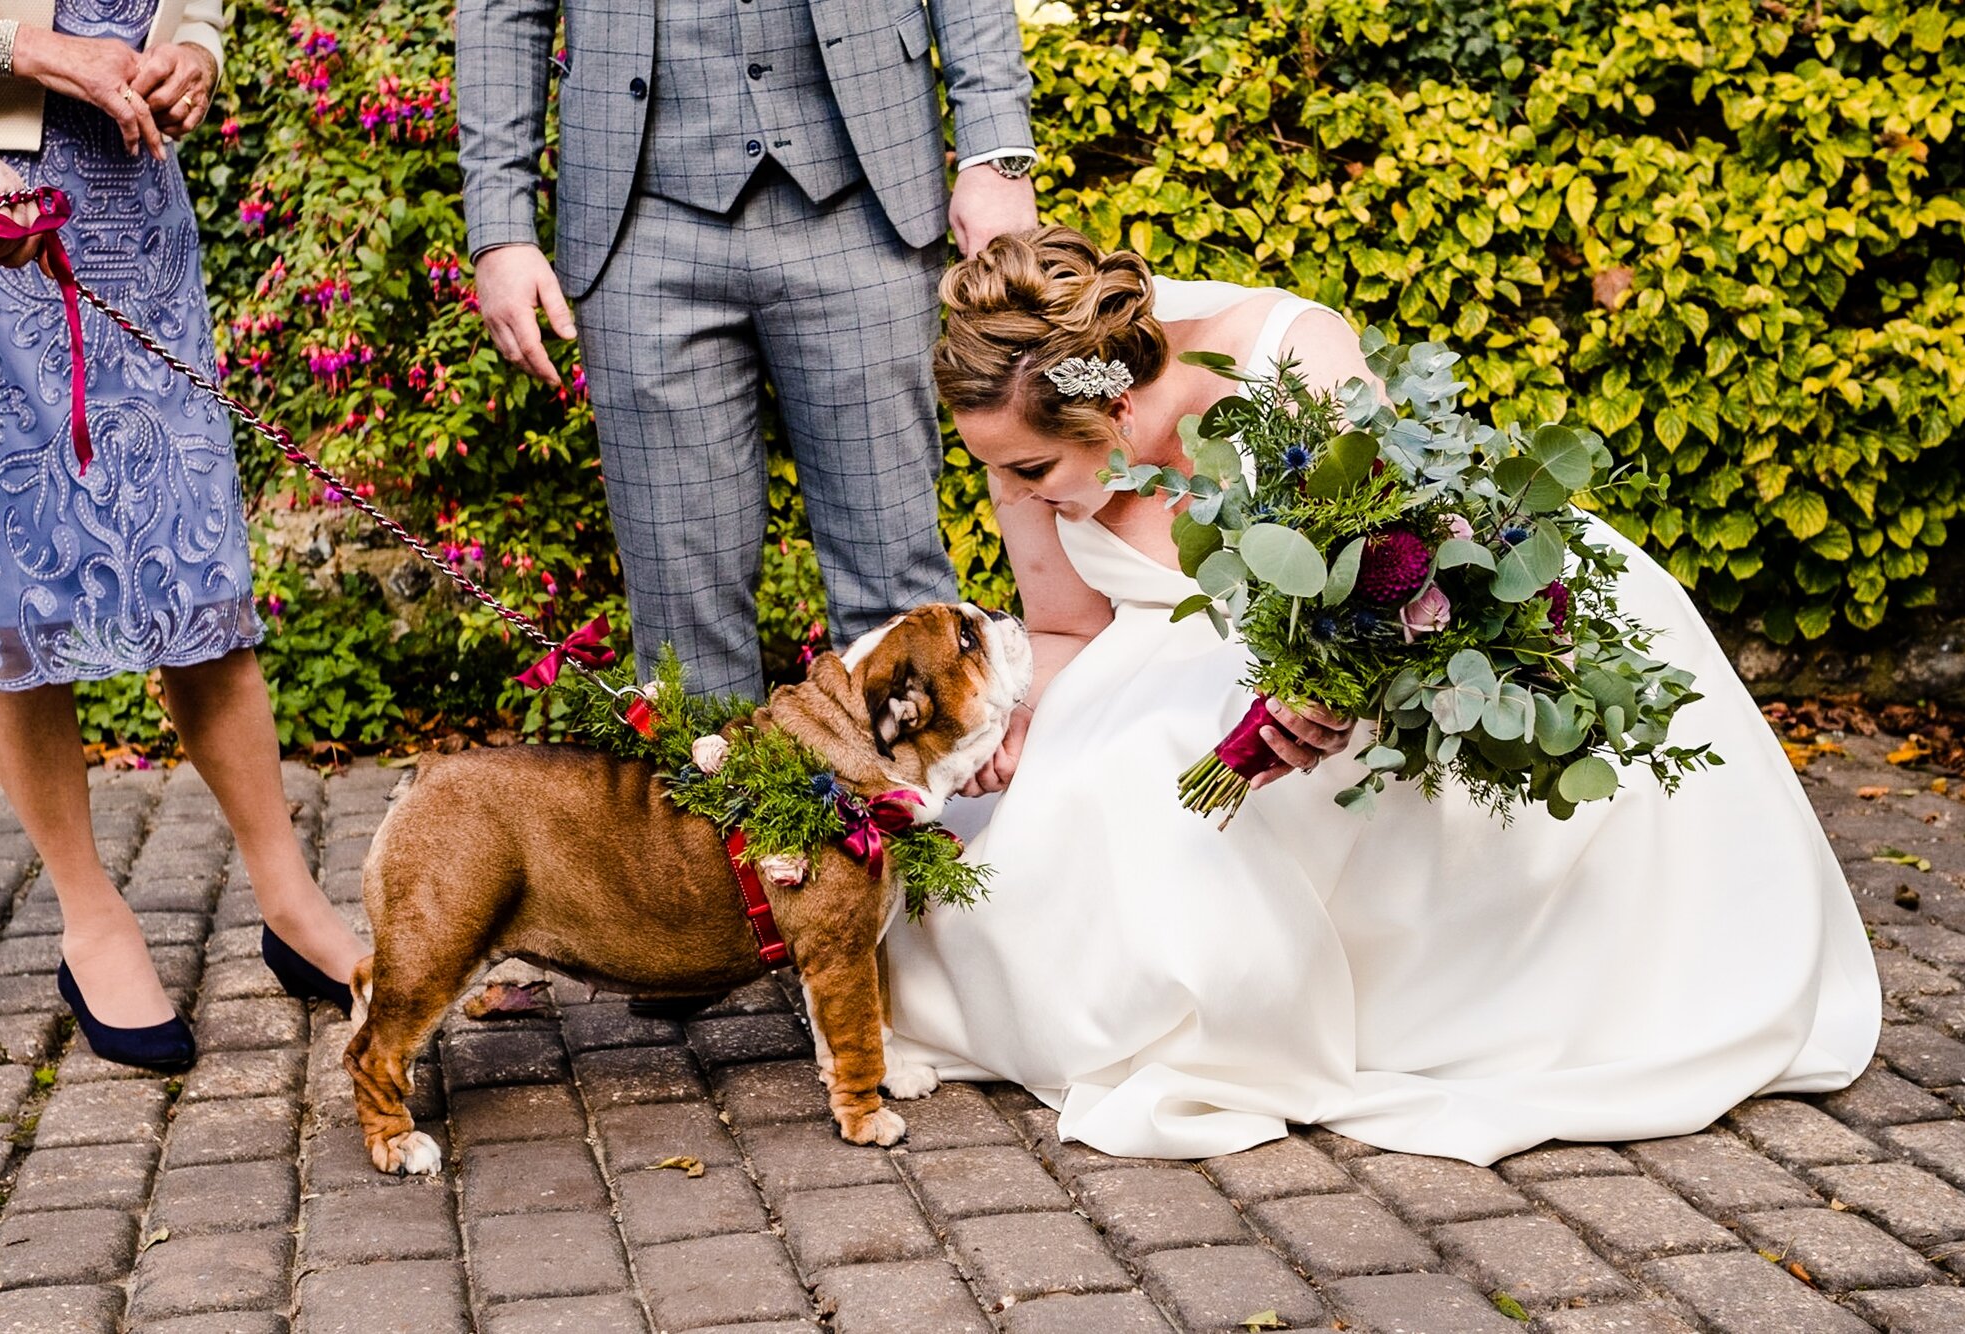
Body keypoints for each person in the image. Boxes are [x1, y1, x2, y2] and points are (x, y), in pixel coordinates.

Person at [881, 226, 1881, 1165]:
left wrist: (1330, 690)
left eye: (1032, 467)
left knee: (1163, 785)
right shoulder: (1024, 457)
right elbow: (1063, 629)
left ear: (1113, 409)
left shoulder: (1284, 356)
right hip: (1163, 651)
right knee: (1047, 822)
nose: (1019, 489)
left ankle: (1356, 996)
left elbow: (1399, 559)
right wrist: (1015, 716)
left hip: (1390, 630)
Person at [0, 3, 365, 1070]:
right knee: (11, 573)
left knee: (192, 554)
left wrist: (195, 49)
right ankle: (90, 914)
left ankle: (287, 894)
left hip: (133, 201)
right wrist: (28, 52)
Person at [457, 0, 1037, 698]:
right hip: (639, 218)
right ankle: (708, 810)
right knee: (682, 625)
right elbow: (501, 11)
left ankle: (908, 807)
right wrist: (500, 230)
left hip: (864, 197)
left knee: (895, 592)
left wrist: (995, 156)